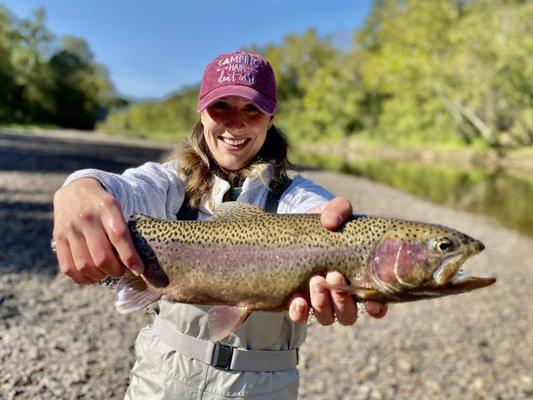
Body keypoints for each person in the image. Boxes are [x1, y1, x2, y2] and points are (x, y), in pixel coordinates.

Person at [53, 50, 387, 399]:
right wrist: (80, 187)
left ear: (270, 117)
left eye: (251, 110)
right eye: (220, 107)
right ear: (202, 112)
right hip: (162, 378)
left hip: (261, 388)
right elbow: (122, 190)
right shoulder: (170, 185)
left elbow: (325, 221)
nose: (235, 123)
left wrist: (352, 257)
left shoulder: (297, 198)